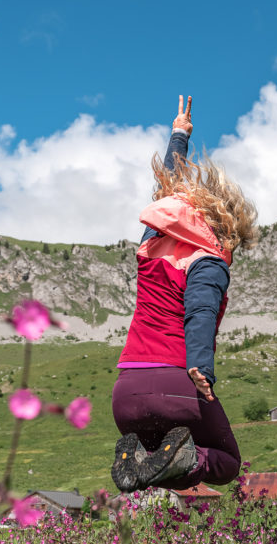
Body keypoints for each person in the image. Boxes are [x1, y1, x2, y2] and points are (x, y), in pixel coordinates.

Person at [110, 96, 258, 493]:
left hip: (126, 393)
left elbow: (165, 191)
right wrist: (200, 368)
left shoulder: (152, 245)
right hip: (175, 382)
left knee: (164, 459)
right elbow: (200, 311)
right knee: (225, 463)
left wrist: (179, 135)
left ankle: (140, 458)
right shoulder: (208, 261)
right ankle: (177, 461)